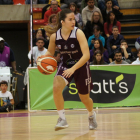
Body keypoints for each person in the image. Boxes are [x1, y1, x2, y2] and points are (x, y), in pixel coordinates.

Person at [38, 9, 97, 131]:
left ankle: (91, 114)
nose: (73, 21)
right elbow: (50, 51)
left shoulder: (78, 33)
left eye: (74, 19)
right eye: (70, 19)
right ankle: (62, 119)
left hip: (81, 65)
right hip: (65, 64)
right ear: (62, 22)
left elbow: (86, 55)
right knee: (56, 86)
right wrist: (43, 57)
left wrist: (73, 69)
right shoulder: (55, 36)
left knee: (84, 98)